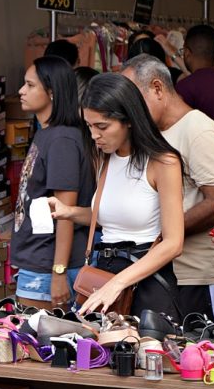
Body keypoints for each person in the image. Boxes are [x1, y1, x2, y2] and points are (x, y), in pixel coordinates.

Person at [49, 72, 186, 318]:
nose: (94, 135)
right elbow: (113, 215)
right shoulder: (102, 158)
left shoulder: (162, 162)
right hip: (103, 274)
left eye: (102, 126)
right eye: (89, 126)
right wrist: (68, 212)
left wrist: (118, 283)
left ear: (129, 120)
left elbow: (173, 242)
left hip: (146, 279)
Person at [122, 54, 214, 324]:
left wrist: (164, 233)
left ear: (157, 88)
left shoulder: (198, 131)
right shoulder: (154, 133)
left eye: (132, 98)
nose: (128, 108)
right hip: (172, 273)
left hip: (204, 276)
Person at [11, 56, 95, 309]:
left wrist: (58, 272)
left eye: (30, 85)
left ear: (52, 92)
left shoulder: (62, 140)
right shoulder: (47, 133)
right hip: (39, 261)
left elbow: (64, 212)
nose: (21, 91)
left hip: (48, 265)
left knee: (34, 346)